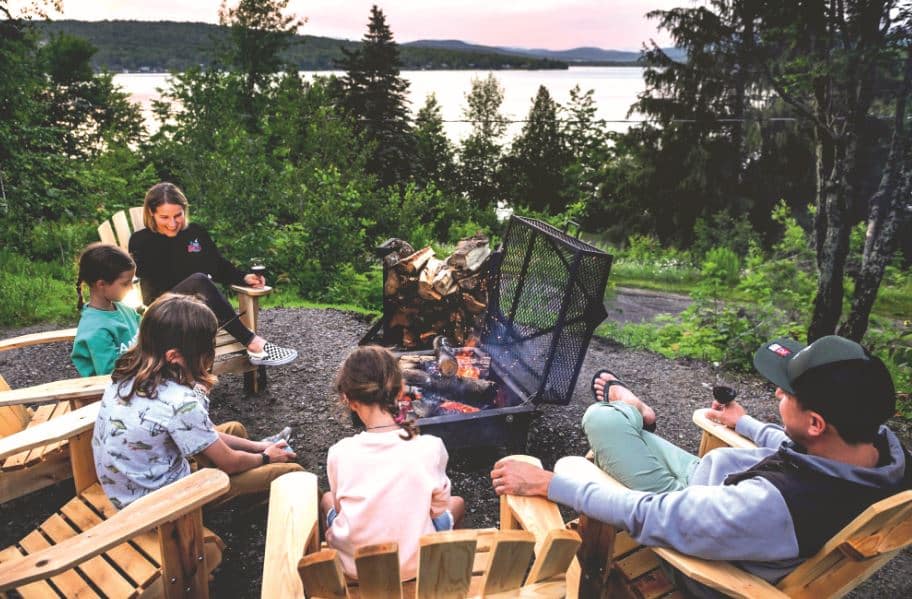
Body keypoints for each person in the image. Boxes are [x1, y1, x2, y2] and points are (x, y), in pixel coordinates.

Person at [490, 335, 911, 593]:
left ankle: (632, 412)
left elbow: (648, 513)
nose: (777, 395)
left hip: (694, 530)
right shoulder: (879, 449)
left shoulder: (774, 506)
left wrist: (550, 484)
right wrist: (744, 422)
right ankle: (634, 412)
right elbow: (800, 444)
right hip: (717, 491)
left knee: (578, 453)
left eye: (785, 393)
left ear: (816, 423)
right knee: (607, 424)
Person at [92, 293, 303, 510]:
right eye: (207, 349)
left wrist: (260, 447)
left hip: (128, 491)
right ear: (174, 356)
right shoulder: (179, 402)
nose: (210, 355)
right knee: (292, 474)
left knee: (235, 429)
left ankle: (249, 492)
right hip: (160, 508)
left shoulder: (126, 373)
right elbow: (229, 463)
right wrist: (266, 458)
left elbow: (195, 429)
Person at [322, 346, 466, 581]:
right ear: (400, 390)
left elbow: (340, 509)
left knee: (327, 498)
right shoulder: (431, 447)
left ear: (348, 399)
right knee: (457, 503)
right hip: (415, 565)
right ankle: (443, 570)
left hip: (357, 569)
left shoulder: (340, 453)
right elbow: (437, 509)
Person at [128, 181, 296, 367]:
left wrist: (244, 278)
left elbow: (217, 265)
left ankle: (254, 348)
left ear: (184, 210)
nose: (172, 223)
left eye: (178, 215)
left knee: (200, 281)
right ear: (151, 213)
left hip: (197, 310)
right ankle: (254, 344)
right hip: (163, 311)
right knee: (200, 280)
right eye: (164, 217)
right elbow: (145, 286)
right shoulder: (141, 241)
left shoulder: (195, 233)